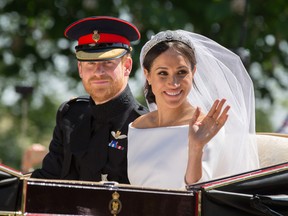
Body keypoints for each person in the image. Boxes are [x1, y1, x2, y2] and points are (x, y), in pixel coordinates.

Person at [127, 30, 260, 189]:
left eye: (181, 72)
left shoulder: (207, 126)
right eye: (163, 73)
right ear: (147, 75)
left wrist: (196, 148)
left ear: (193, 72)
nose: (173, 83)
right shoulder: (137, 127)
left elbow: (200, 193)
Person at [31, 16, 147, 184]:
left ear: (127, 66)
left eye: (107, 62)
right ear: (80, 69)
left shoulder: (144, 124)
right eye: (90, 63)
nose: (98, 71)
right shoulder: (70, 116)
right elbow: (47, 181)